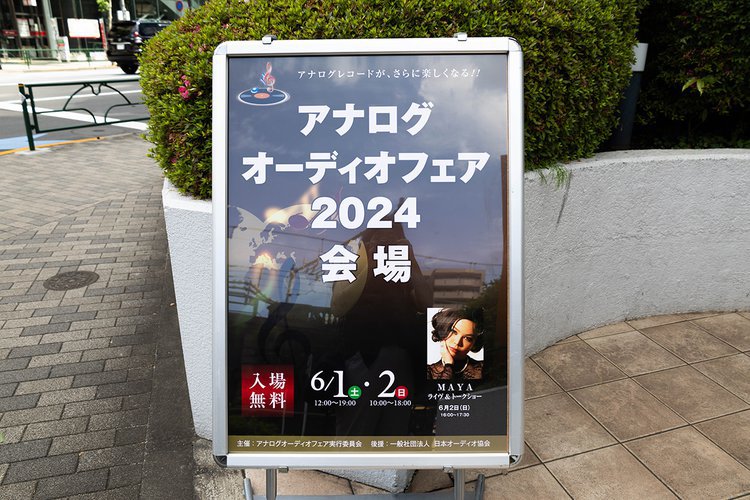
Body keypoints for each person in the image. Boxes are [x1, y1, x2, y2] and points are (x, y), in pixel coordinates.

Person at [427, 307, 483, 380]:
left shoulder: (483, 369)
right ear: (443, 330)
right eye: (454, 332)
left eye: (467, 338)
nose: (457, 342)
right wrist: (449, 365)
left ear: (474, 344)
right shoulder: (428, 372)